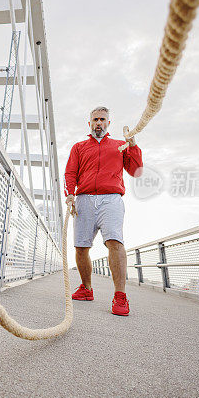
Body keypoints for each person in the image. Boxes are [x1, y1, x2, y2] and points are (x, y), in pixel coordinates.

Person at [64, 106, 143, 316]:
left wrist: (133, 147)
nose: (99, 123)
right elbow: (70, 172)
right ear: (89, 123)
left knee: (115, 242)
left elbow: (136, 172)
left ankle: (120, 296)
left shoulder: (120, 145)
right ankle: (86, 288)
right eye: (95, 119)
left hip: (111, 199)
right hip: (84, 199)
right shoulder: (79, 147)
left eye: (103, 119)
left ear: (108, 123)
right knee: (81, 247)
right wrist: (70, 194)